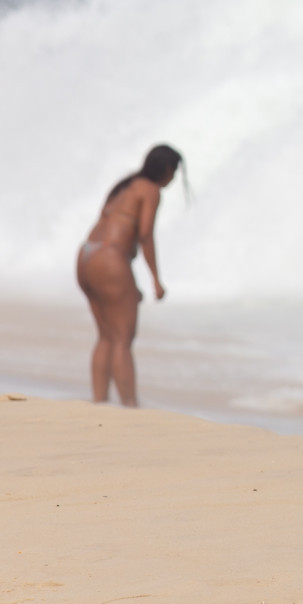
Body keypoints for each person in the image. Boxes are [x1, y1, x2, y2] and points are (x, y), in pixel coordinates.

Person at [76, 144, 182, 408]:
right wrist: (156, 279)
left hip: (87, 254)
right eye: (175, 171)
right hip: (110, 258)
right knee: (123, 339)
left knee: (105, 336)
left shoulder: (125, 185)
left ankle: (99, 401)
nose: (175, 178)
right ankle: (130, 407)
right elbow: (145, 234)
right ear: (167, 169)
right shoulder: (150, 190)